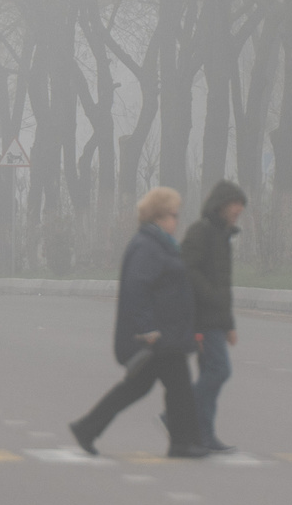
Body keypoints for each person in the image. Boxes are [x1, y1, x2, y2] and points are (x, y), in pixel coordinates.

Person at [70, 187, 208, 459]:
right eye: (173, 215)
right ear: (159, 216)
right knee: (176, 387)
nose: (177, 220)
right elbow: (137, 289)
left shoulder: (159, 245)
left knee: (145, 387)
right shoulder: (148, 247)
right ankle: (183, 443)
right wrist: (147, 329)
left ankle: (87, 428)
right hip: (157, 336)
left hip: (166, 333)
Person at [181, 181, 247, 453]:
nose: (239, 210)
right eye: (235, 204)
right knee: (219, 371)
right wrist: (210, 295)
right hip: (200, 319)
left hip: (215, 321)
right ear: (221, 205)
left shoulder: (222, 236)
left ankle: (205, 436)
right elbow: (186, 270)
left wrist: (229, 324)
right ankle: (177, 416)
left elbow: (223, 286)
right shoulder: (201, 232)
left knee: (212, 373)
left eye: (241, 206)